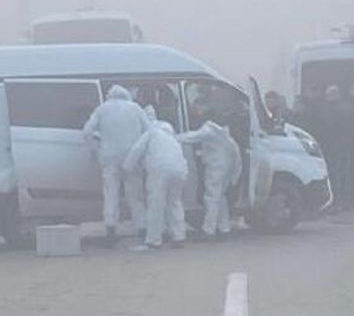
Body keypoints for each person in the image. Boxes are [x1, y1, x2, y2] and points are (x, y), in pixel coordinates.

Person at [82, 84, 151, 245]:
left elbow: (86, 132)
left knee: (110, 194)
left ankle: (111, 229)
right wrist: (140, 151)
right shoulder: (135, 109)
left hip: (109, 158)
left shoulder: (102, 109)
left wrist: (96, 151)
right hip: (132, 158)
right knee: (135, 195)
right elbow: (149, 131)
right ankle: (142, 228)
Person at [124, 107, 188, 251]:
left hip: (160, 170)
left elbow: (136, 150)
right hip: (180, 170)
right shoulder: (170, 134)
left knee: (156, 206)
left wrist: (126, 168)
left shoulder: (149, 133)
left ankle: (154, 241)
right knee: (175, 203)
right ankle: (179, 237)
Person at [178, 118, 243, 239]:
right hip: (226, 168)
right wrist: (235, 175)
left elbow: (193, 137)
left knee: (211, 197)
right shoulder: (224, 135)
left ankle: (208, 230)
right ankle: (224, 228)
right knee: (220, 197)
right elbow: (237, 155)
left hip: (216, 168)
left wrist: (173, 137)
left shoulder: (209, 130)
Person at [318, 85, 354, 210]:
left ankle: (338, 201)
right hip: (344, 144)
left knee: (336, 173)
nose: (326, 97)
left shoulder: (334, 109)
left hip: (335, 145)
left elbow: (330, 127)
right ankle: (345, 200)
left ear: (335, 94)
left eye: (328, 95)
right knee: (344, 173)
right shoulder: (347, 107)